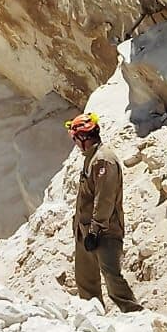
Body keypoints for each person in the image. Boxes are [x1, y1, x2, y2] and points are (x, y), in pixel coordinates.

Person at [67, 112, 142, 313]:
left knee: (112, 278)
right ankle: (94, 320)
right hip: (85, 231)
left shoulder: (103, 161)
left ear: (83, 138)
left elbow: (105, 199)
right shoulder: (91, 158)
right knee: (85, 280)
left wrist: (95, 230)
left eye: (75, 138)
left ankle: (135, 314)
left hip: (103, 232)